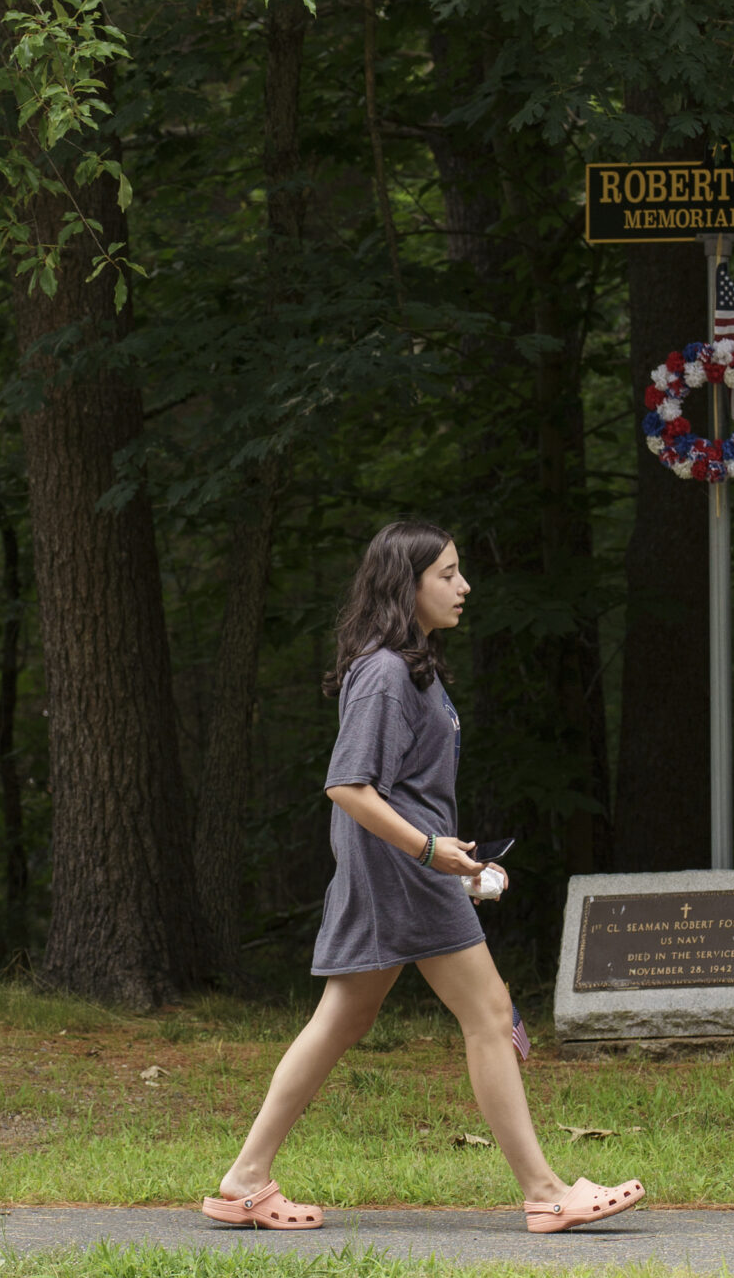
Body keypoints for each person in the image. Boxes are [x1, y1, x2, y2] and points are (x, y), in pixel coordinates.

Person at [205, 520, 645, 1234]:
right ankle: (543, 1190)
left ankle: (245, 1180)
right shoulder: (383, 673)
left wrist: (453, 856)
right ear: (404, 584)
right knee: (491, 1013)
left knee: (343, 1018)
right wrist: (427, 852)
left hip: (402, 870)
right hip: (400, 875)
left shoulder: (410, 668)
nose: (464, 585)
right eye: (447, 573)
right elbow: (348, 786)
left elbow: (402, 790)